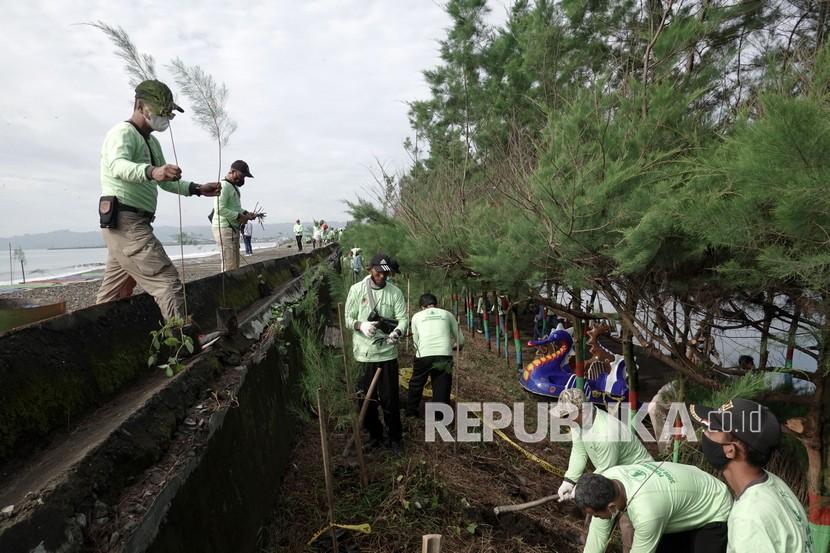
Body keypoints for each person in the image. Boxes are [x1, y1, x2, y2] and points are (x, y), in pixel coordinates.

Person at [96, 79, 220, 324]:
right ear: (141, 106)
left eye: (169, 114)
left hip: (131, 224)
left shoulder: (152, 142)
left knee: (115, 293)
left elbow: (165, 182)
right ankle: (184, 339)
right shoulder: (122, 133)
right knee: (166, 281)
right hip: (126, 222)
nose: (166, 118)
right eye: (162, 112)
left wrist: (197, 189)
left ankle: (89, 338)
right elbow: (118, 166)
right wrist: (153, 171)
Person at [690, 399, 812, 553]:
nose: (704, 432)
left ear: (730, 450)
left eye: (712, 428)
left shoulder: (748, 518)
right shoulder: (773, 483)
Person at [553, 388, 652, 549]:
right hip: (611, 476)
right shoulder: (577, 423)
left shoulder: (606, 432)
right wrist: (569, 481)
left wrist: (581, 489)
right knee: (598, 523)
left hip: (638, 481)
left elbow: (607, 469)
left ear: (582, 410)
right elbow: (579, 450)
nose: (564, 419)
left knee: (629, 528)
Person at [575, 461, 732, 553]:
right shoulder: (609, 478)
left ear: (611, 507)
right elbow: (598, 534)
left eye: (596, 515)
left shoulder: (646, 513)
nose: (597, 519)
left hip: (713, 504)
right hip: (681, 497)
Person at [344, 253, 408, 453]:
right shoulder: (356, 290)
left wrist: (397, 331)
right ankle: (375, 435)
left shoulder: (395, 292)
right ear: (370, 269)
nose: (382, 276)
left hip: (387, 354)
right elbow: (347, 317)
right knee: (365, 399)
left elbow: (403, 318)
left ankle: (395, 438)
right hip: (363, 354)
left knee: (390, 399)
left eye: (385, 274)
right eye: (378, 272)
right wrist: (360, 325)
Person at [406, 293, 464, 417]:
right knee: (442, 385)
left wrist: (420, 351)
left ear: (422, 306)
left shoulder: (416, 316)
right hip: (444, 354)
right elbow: (460, 339)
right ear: (436, 304)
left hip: (424, 354)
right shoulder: (447, 314)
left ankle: (411, 412)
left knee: (416, 383)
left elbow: (415, 340)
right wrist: (455, 346)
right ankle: (440, 416)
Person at [212, 160, 256, 271]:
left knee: (234, 264)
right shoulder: (223, 186)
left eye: (245, 177)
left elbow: (235, 208)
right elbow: (219, 208)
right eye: (242, 176)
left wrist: (246, 213)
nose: (243, 179)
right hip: (224, 228)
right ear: (232, 171)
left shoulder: (234, 187)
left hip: (232, 229)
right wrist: (239, 217)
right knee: (229, 265)